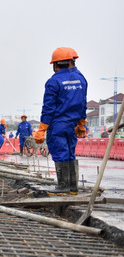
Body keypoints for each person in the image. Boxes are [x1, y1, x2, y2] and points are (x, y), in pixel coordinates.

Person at [34, 47, 87, 195]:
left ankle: (63, 187)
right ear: (72, 61)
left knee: (60, 153)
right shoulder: (81, 79)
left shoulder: (54, 81)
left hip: (58, 125)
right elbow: (83, 103)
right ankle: (72, 187)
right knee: (70, 152)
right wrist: (81, 123)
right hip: (73, 124)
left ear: (55, 65)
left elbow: (48, 108)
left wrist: (42, 129)